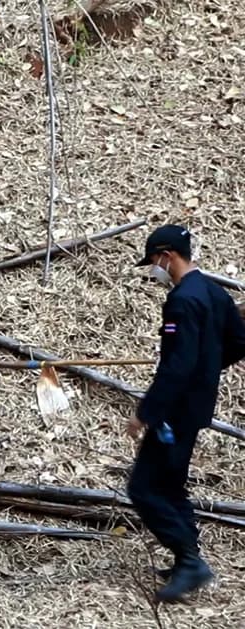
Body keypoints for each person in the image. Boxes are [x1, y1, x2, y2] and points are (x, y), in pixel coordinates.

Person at [128, 224, 245, 602]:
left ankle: (189, 560)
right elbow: (239, 343)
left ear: (167, 256)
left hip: (175, 410)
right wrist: (209, 369)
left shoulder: (181, 301)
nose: (154, 270)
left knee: (144, 487)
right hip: (197, 405)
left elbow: (176, 365)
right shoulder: (214, 293)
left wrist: (146, 411)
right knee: (170, 482)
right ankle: (186, 558)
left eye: (154, 262)